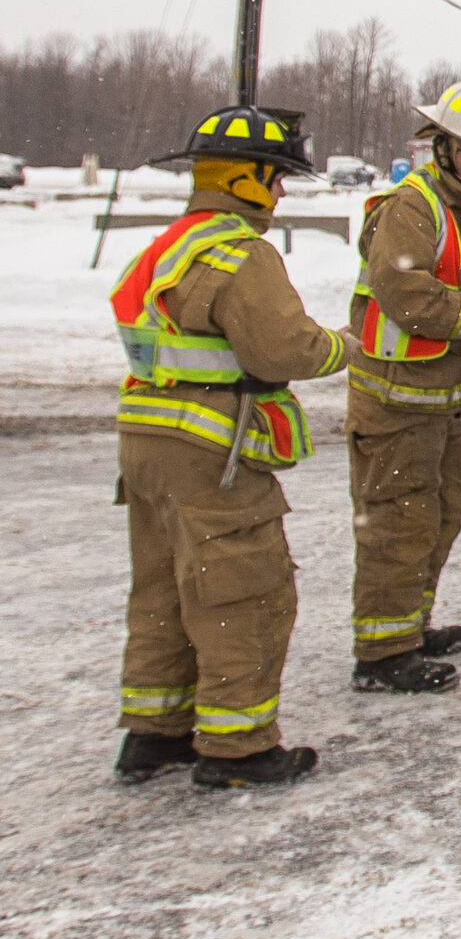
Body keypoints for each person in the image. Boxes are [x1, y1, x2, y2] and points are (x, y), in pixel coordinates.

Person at [109, 106, 350, 787]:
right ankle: (237, 746)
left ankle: (153, 733)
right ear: (249, 179)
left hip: (146, 441)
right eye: (276, 181)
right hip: (211, 451)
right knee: (244, 589)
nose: (278, 196)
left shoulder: (167, 246)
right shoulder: (241, 252)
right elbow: (283, 346)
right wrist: (340, 346)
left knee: (163, 588)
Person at [342, 77, 461, 694]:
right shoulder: (412, 205)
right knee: (399, 520)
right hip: (399, 400)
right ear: (442, 146)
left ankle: (408, 626)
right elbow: (408, 295)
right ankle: (381, 653)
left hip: (445, 398)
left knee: (440, 514)